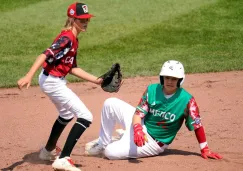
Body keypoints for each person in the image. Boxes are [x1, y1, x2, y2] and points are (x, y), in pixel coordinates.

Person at [17, 2, 102, 171]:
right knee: (85, 116)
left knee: (66, 113)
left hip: (52, 80)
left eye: (87, 19)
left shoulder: (73, 39)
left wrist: (97, 81)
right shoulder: (67, 38)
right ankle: (63, 159)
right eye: (81, 19)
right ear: (72, 19)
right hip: (52, 82)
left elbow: (72, 68)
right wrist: (28, 75)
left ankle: (47, 151)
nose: (85, 22)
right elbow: (44, 54)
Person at [85, 60, 223, 161]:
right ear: (162, 77)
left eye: (174, 79)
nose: (169, 81)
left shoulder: (187, 100)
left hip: (153, 143)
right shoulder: (152, 90)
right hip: (142, 126)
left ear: (180, 80)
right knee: (111, 103)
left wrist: (204, 148)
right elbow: (138, 114)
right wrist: (138, 128)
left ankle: (123, 139)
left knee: (110, 153)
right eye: (167, 77)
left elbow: (197, 125)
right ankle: (103, 143)